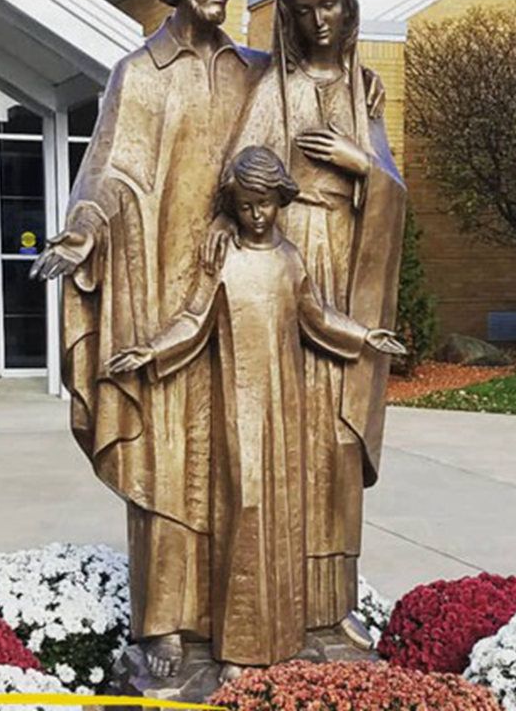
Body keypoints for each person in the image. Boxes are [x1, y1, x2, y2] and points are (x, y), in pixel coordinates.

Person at [29, 0, 269, 679]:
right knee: (166, 461)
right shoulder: (142, 72)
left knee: (236, 462)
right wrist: (81, 234)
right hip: (159, 294)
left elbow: (301, 128)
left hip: (237, 299)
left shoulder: (254, 73)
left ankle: (238, 620)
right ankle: (164, 627)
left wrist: (357, 91)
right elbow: (111, 173)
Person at [106, 146, 404, 679]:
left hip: (286, 408)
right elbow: (194, 322)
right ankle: (238, 651)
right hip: (237, 406)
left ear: (280, 201)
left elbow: (317, 317)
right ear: (234, 205)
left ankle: (282, 639)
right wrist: (150, 351)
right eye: (246, 206)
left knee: (284, 518)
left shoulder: (289, 259)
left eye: (265, 203)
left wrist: (366, 336)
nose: (257, 215)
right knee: (244, 511)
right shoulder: (225, 262)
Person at [227, 0, 407, 647]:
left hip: (348, 267)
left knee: (337, 441)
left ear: (348, 6)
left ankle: (334, 601)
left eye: (327, 5)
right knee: (288, 440)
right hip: (287, 268)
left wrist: (361, 166)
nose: (317, 21)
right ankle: (281, 595)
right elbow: (238, 172)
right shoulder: (273, 91)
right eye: (302, 11)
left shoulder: (364, 89)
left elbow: (391, 185)